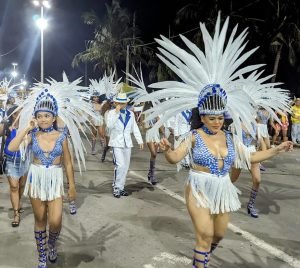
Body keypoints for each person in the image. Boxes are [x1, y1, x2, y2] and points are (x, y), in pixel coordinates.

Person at [136, 14, 292, 267]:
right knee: (205, 235)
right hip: (198, 186)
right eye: (211, 118)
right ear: (203, 118)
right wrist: (166, 149)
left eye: (220, 117)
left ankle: (203, 256)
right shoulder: (194, 136)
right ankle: (202, 260)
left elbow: (250, 157)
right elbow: (176, 157)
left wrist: (276, 149)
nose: (216, 121)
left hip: (223, 188)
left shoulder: (231, 137)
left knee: (218, 234)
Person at [9, 90, 76, 268]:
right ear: (35, 118)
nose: (44, 119)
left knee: (55, 221)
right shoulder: (33, 136)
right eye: (40, 116)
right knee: (40, 220)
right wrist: (26, 128)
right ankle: (42, 254)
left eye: (47, 115)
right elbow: (12, 147)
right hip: (36, 179)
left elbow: (68, 163)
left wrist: (72, 186)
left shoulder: (61, 137)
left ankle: (52, 244)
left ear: (54, 117)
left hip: (55, 180)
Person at [106, 93, 144, 198]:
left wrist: (140, 140)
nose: (122, 105)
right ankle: (116, 188)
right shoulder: (112, 113)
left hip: (127, 143)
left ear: (126, 103)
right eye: (119, 103)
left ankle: (121, 187)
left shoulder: (130, 114)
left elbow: (134, 128)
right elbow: (109, 125)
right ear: (116, 103)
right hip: (116, 143)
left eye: (123, 103)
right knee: (120, 165)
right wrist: (116, 113)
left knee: (125, 167)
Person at [230, 124, 266, 218]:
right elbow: (230, 142)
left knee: (257, 180)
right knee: (232, 179)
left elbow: (262, 142)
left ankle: (250, 205)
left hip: (252, 153)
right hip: (239, 153)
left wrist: (263, 155)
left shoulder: (255, 126)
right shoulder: (234, 125)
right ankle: (222, 196)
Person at [2, 106, 29, 227]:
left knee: (21, 186)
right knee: (14, 187)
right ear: (11, 115)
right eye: (15, 114)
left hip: (24, 161)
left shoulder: (28, 128)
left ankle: (18, 203)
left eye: (20, 114)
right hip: (10, 161)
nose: (18, 117)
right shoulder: (6, 127)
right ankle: (16, 214)